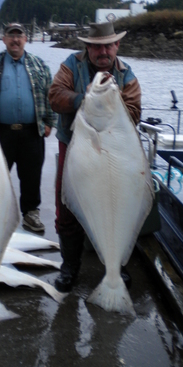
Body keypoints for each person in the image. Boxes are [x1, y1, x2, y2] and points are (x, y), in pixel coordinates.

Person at [48, 21, 142, 292]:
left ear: (117, 46)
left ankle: (115, 267)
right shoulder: (70, 65)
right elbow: (55, 96)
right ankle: (70, 268)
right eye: (97, 46)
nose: (104, 51)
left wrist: (108, 101)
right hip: (77, 147)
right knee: (66, 206)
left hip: (116, 152)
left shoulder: (127, 75)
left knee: (117, 205)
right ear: (87, 47)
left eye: (109, 45)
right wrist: (84, 99)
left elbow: (134, 111)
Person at [0, 23, 57, 233]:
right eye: (11, 36)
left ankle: (30, 213)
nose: (15, 40)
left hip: (32, 131)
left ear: (25, 39)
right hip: (0, 132)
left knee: (31, 175)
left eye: (19, 36)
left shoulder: (40, 65)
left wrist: (49, 122)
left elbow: (51, 95)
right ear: (4, 39)